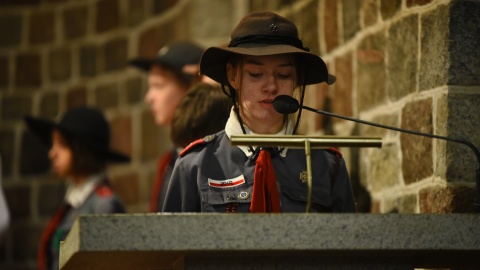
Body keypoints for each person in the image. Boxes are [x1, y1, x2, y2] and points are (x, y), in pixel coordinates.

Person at [162, 11, 356, 213]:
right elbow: (173, 243)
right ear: (233, 76)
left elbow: (348, 242)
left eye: (283, 74)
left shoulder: (327, 165)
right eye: (256, 74)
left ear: (297, 80)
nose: (271, 86)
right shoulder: (195, 165)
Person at [24, 106, 129, 270]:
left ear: (81, 150)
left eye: (61, 144)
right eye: (53, 144)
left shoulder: (104, 204)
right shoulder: (74, 200)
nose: (52, 153)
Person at [128, 41, 207, 212]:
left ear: (192, 88)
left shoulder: (209, 156)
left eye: (158, 86)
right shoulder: (169, 159)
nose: (149, 98)